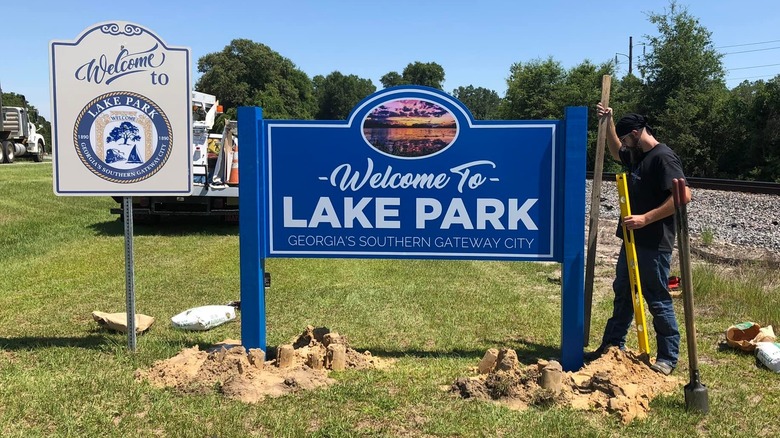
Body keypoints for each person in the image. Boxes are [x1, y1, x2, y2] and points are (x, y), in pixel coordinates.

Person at [586, 103, 692, 376]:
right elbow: (614, 150)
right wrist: (608, 121)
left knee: (656, 297)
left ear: (636, 133)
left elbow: (683, 197)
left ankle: (667, 357)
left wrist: (646, 218)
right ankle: (612, 346)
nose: (623, 145)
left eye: (625, 138)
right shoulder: (638, 155)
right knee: (623, 292)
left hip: (654, 242)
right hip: (631, 241)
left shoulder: (662, 158)